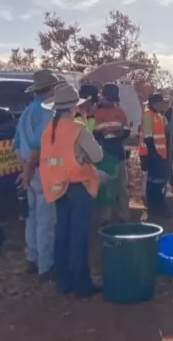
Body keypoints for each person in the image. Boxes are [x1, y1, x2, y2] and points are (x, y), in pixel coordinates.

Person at [39, 83, 104, 297]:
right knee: (79, 236)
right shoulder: (78, 128)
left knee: (62, 235)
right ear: (73, 106)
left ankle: (63, 282)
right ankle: (82, 284)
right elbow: (98, 156)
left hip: (58, 187)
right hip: (79, 186)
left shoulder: (49, 129)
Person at [13, 69, 61, 280]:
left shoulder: (26, 112)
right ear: (51, 88)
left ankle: (31, 258)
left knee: (31, 217)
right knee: (45, 220)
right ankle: (45, 265)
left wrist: (24, 169)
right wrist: (30, 167)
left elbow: (16, 144)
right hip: (43, 171)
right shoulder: (48, 112)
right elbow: (38, 146)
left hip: (29, 172)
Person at [92, 83, 131, 223]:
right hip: (103, 155)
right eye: (109, 98)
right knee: (105, 187)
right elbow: (91, 133)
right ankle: (105, 218)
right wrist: (101, 135)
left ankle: (123, 215)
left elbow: (126, 129)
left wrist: (119, 133)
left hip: (118, 153)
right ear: (102, 97)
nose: (111, 101)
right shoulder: (95, 113)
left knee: (122, 186)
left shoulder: (119, 111)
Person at [139, 93, 170, 216]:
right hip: (152, 153)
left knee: (159, 181)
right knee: (153, 182)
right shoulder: (148, 115)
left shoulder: (157, 115)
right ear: (155, 103)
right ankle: (155, 208)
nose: (162, 105)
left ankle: (159, 205)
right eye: (160, 103)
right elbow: (148, 137)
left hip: (159, 153)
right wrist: (153, 154)